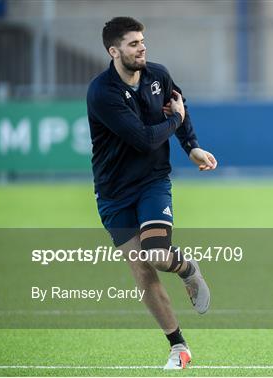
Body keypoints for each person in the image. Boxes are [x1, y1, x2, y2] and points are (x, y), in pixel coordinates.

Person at [86, 16, 217, 370]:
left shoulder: (158, 74)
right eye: (132, 43)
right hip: (113, 193)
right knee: (142, 271)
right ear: (114, 51)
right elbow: (145, 138)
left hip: (152, 182)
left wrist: (191, 146)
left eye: (142, 41)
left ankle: (188, 270)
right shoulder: (103, 93)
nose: (141, 47)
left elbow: (179, 104)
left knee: (157, 255)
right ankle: (179, 347)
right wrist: (176, 120)